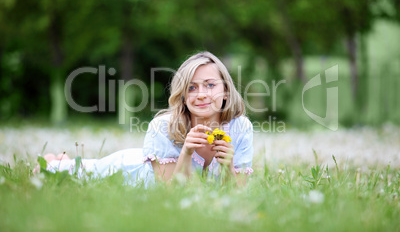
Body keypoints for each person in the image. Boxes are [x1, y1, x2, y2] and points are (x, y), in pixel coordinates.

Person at [44, 52, 253, 187]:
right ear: (182, 95)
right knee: (70, 173)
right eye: (191, 87)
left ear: (226, 90)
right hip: (129, 171)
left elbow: (237, 192)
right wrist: (186, 153)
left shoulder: (240, 128)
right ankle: (54, 163)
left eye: (210, 85)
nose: (201, 94)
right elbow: (172, 191)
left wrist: (228, 165)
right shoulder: (163, 127)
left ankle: (60, 161)